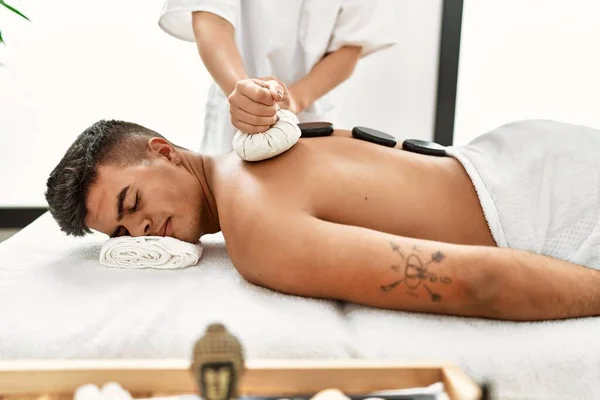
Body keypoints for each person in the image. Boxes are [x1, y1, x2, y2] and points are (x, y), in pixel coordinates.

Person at [45, 117, 600, 322]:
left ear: (163, 151)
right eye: (119, 233)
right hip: (525, 149)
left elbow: (481, 280)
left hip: (556, 207)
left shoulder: (255, 232)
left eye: (131, 204)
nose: (138, 232)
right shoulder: (259, 147)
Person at [158, 0, 397, 153]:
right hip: (233, 112)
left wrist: (297, 98)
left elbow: (352, 42)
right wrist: (243, 92)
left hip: (314, 117)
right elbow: (209, 15)